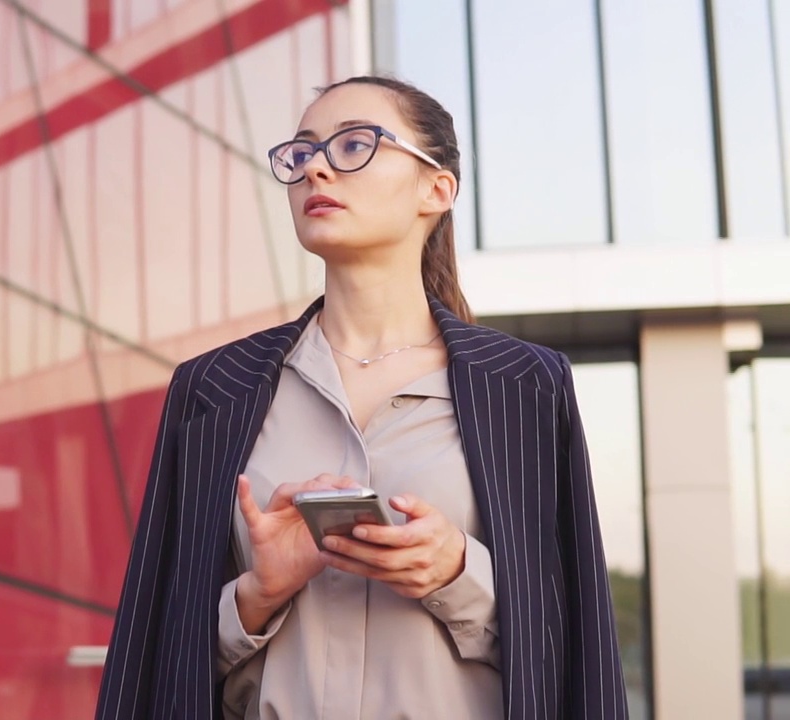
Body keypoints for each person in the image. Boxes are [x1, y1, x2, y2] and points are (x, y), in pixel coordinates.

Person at [94, 75, 627, 720]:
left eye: (354, 146)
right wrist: (257, 595)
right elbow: (153, 658)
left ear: (437, 188)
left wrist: (459, 574)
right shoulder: (213, 389)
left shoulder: (525, 387)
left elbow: (577, 647)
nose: (317, 167)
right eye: (302, 152)